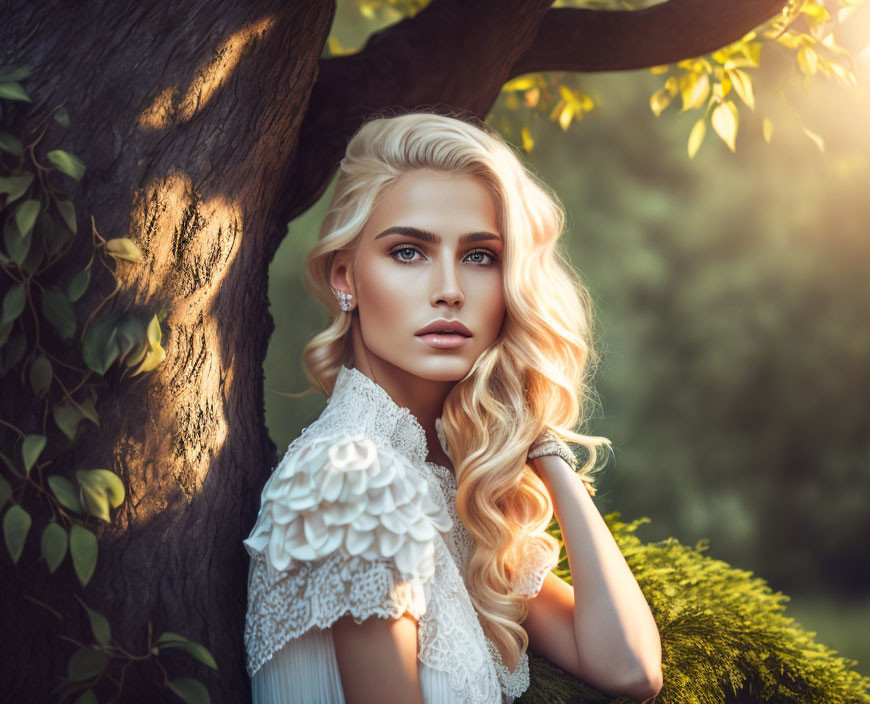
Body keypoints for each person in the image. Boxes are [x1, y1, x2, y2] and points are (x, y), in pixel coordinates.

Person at [243, 110, 663, 703]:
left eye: (480, 256)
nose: (450, 289)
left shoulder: (445, 488)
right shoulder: (350, 479)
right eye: (409, 252)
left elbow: (630, 669)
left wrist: (540, 439)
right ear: (347, 278)